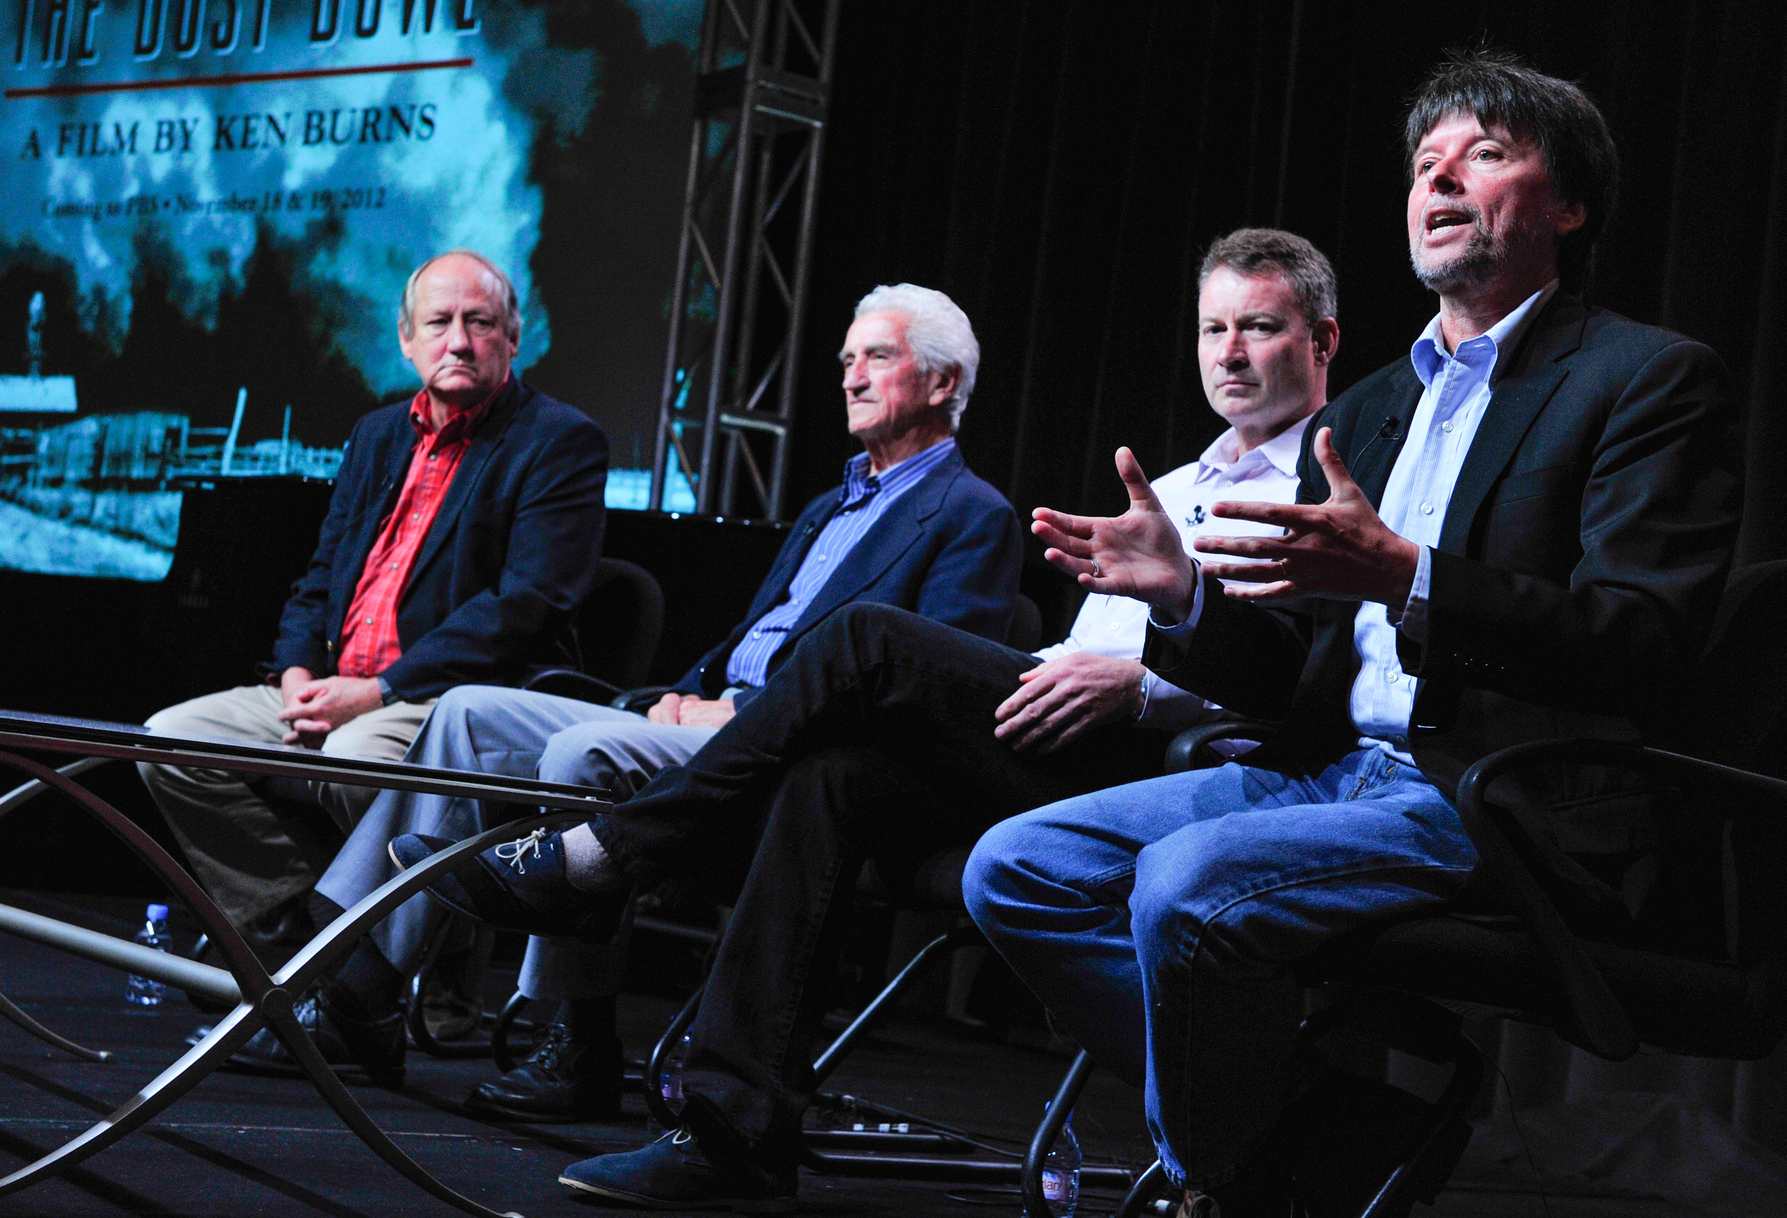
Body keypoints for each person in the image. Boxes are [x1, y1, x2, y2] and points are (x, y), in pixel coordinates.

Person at [398, 228, 1346, 1208]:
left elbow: (1313, 681)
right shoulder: (1173, 490)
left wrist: (1142, 686)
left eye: (1258, 329)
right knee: (830, 776)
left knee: (865, 641)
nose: (1228, 353)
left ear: (1319, 341)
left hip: (1162, 773)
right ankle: (731, 1132)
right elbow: (1067, 658)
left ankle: (604, 855)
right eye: (1212, 329)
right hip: (1047, 734)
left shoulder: (1335, 486)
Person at [967, 50, 1741, 1217]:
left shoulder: (1642, 380)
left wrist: (1413, 575)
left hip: (1494, 792)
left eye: (1483, 154)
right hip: (1327, 768)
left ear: (1567, 206)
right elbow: (1293, 674)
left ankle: (1217, 1189)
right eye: (1422, 162)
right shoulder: (1375, 403)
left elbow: (1642, 640)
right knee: (1018, 868)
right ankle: (1302, 1145)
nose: (1438, 179)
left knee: (1181, 881)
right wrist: (1182, 597)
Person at [293, 283, 1023, 1095]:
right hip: (695, 716)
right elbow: (755, 639)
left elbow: (927, 693)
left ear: (943, 382)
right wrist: (677, 694)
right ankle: (368, 980)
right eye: (846, 360)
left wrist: (744, 710)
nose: (850, 378)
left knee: (582, 751)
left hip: (780, 748)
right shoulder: (830, 504)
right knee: (465, 711)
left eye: (876, 358)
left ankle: (576, 1040)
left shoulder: (971, 515)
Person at [137, 250, 608, 1007]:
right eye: (439, 323)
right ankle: (295, 926)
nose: (458, 340)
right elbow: (320, 576)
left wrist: (377, 691)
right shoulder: (378, 434)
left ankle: (382, 970)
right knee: (169, 739)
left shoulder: (559, 441)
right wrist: (295, 673)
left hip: (444, 698)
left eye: (479, 323)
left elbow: (527, 605)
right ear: (407, 342)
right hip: (332, 682)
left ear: (513, 338)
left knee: (356, 755)